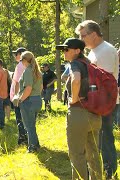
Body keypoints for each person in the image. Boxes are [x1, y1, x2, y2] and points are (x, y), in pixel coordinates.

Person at [76, 20, 119, 179]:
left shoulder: (106, 50)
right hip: (96, 103)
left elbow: (104, 81)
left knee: (105, 139)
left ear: (94, 34)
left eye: (83, 35)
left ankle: (110, 173)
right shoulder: (94, 50)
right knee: (97, 141)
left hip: (104, 104)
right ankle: (99, 171)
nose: (81, 39)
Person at [56, 38, 102, 179]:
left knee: (77, 154)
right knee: (93, 153)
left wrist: (74, 99)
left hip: (79, 113)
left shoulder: (75, 64)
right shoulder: (90, 64)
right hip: (95, 113)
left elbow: (76, 79)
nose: (64, 52)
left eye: (66, 49)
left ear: (77, 51)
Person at [12, 51, 42, 153]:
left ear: (25, 60)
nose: (21, 62)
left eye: (21, 60)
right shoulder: (37, 71)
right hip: (37, 99)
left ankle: (32, 147)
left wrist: (20, 99)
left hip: (28, 101)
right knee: (31, 125)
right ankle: (36, 144)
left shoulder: (28, 71)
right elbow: (41, 87)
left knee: (28, 126)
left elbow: (28, 88)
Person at [10, 47, 28, 144]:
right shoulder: (30, 65)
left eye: (16, 54)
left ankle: (23, 138)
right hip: (26, 95)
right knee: (26, 118)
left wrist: (16, 97)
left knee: (20, 118)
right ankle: (27, 138)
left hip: (19, 97)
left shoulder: (20, 66)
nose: (15, 56)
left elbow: (17, 82)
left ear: (21, 54)